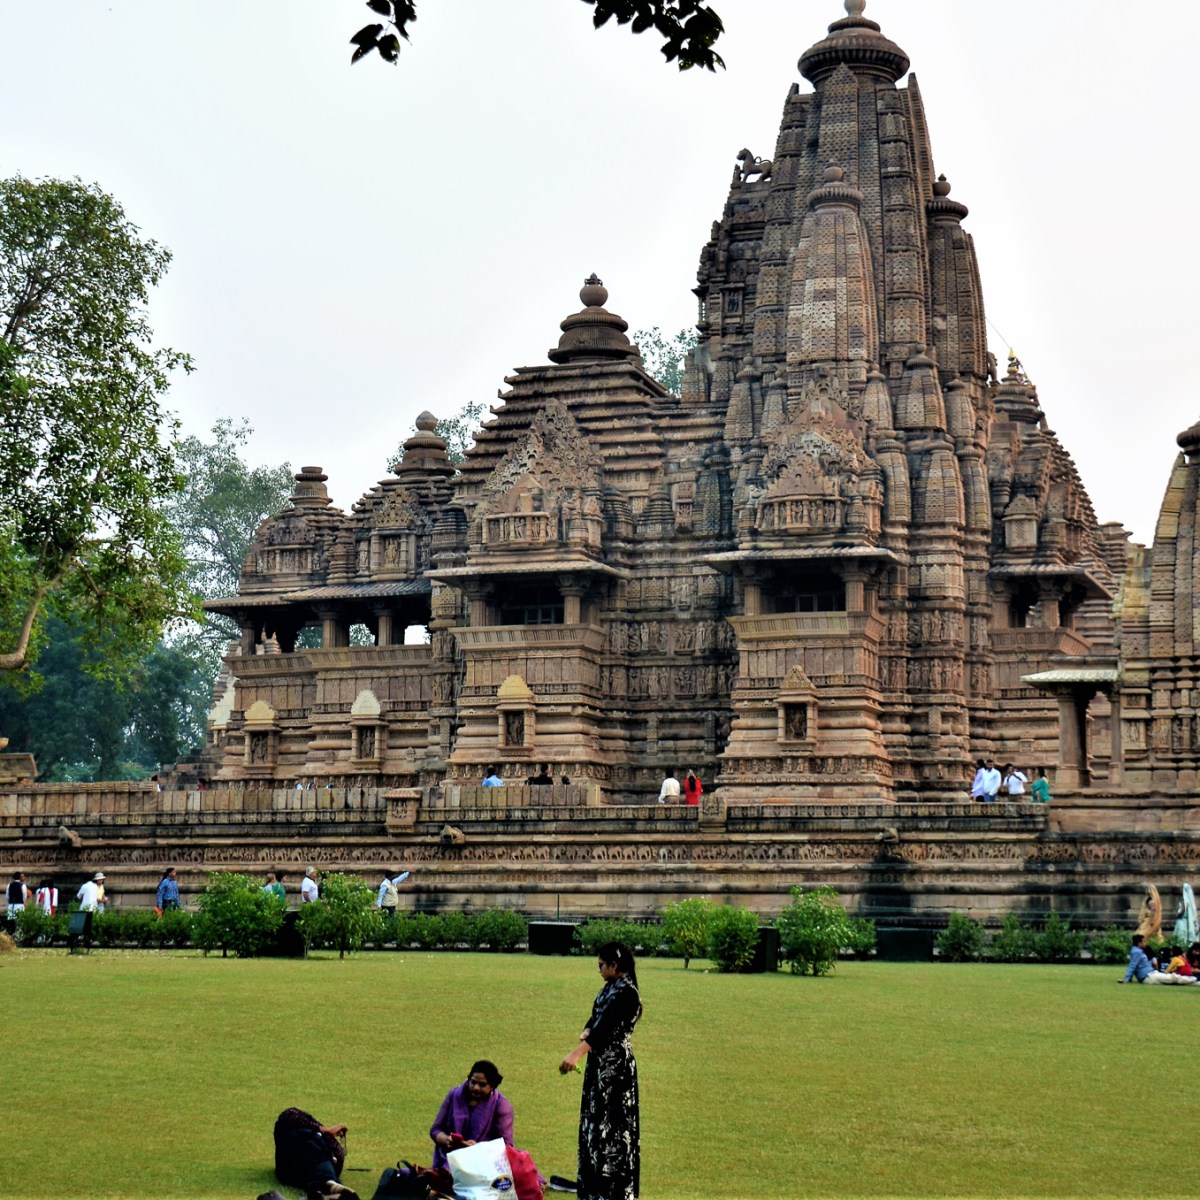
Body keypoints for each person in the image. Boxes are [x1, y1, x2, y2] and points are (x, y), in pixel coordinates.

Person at [559, 941, 642, 1200]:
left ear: (614, 966)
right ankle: (593, 1189)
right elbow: (596, 1020)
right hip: (598, 1067)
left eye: (601, 965)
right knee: (594, 1125)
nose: (599, 970)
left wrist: (576, 1053)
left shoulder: (627, 993)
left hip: (615, 1070)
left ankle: (613, 1192)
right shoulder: (610, 988)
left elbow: (606, 1029)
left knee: (614, 1128)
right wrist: (587, 1030)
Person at [429, 1060, 515, 1170]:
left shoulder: (502, 1105)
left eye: (482, 1085)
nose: (476, 1088)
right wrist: (446, 1139)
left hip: (485, 1162)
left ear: (492, 1086)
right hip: (450, 1158)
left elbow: (506, 1146)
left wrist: (479, 1149)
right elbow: (435, 1130)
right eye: (473, 1082)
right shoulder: (454, 1095)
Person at [273, 1107, 348, 1191]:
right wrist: (324, 1129)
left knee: (316, 1169)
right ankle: (328, 1184)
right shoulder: (300, 1131)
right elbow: (288, 1115)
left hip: (292, 1171)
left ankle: (327, 1185)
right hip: (302, 1152)